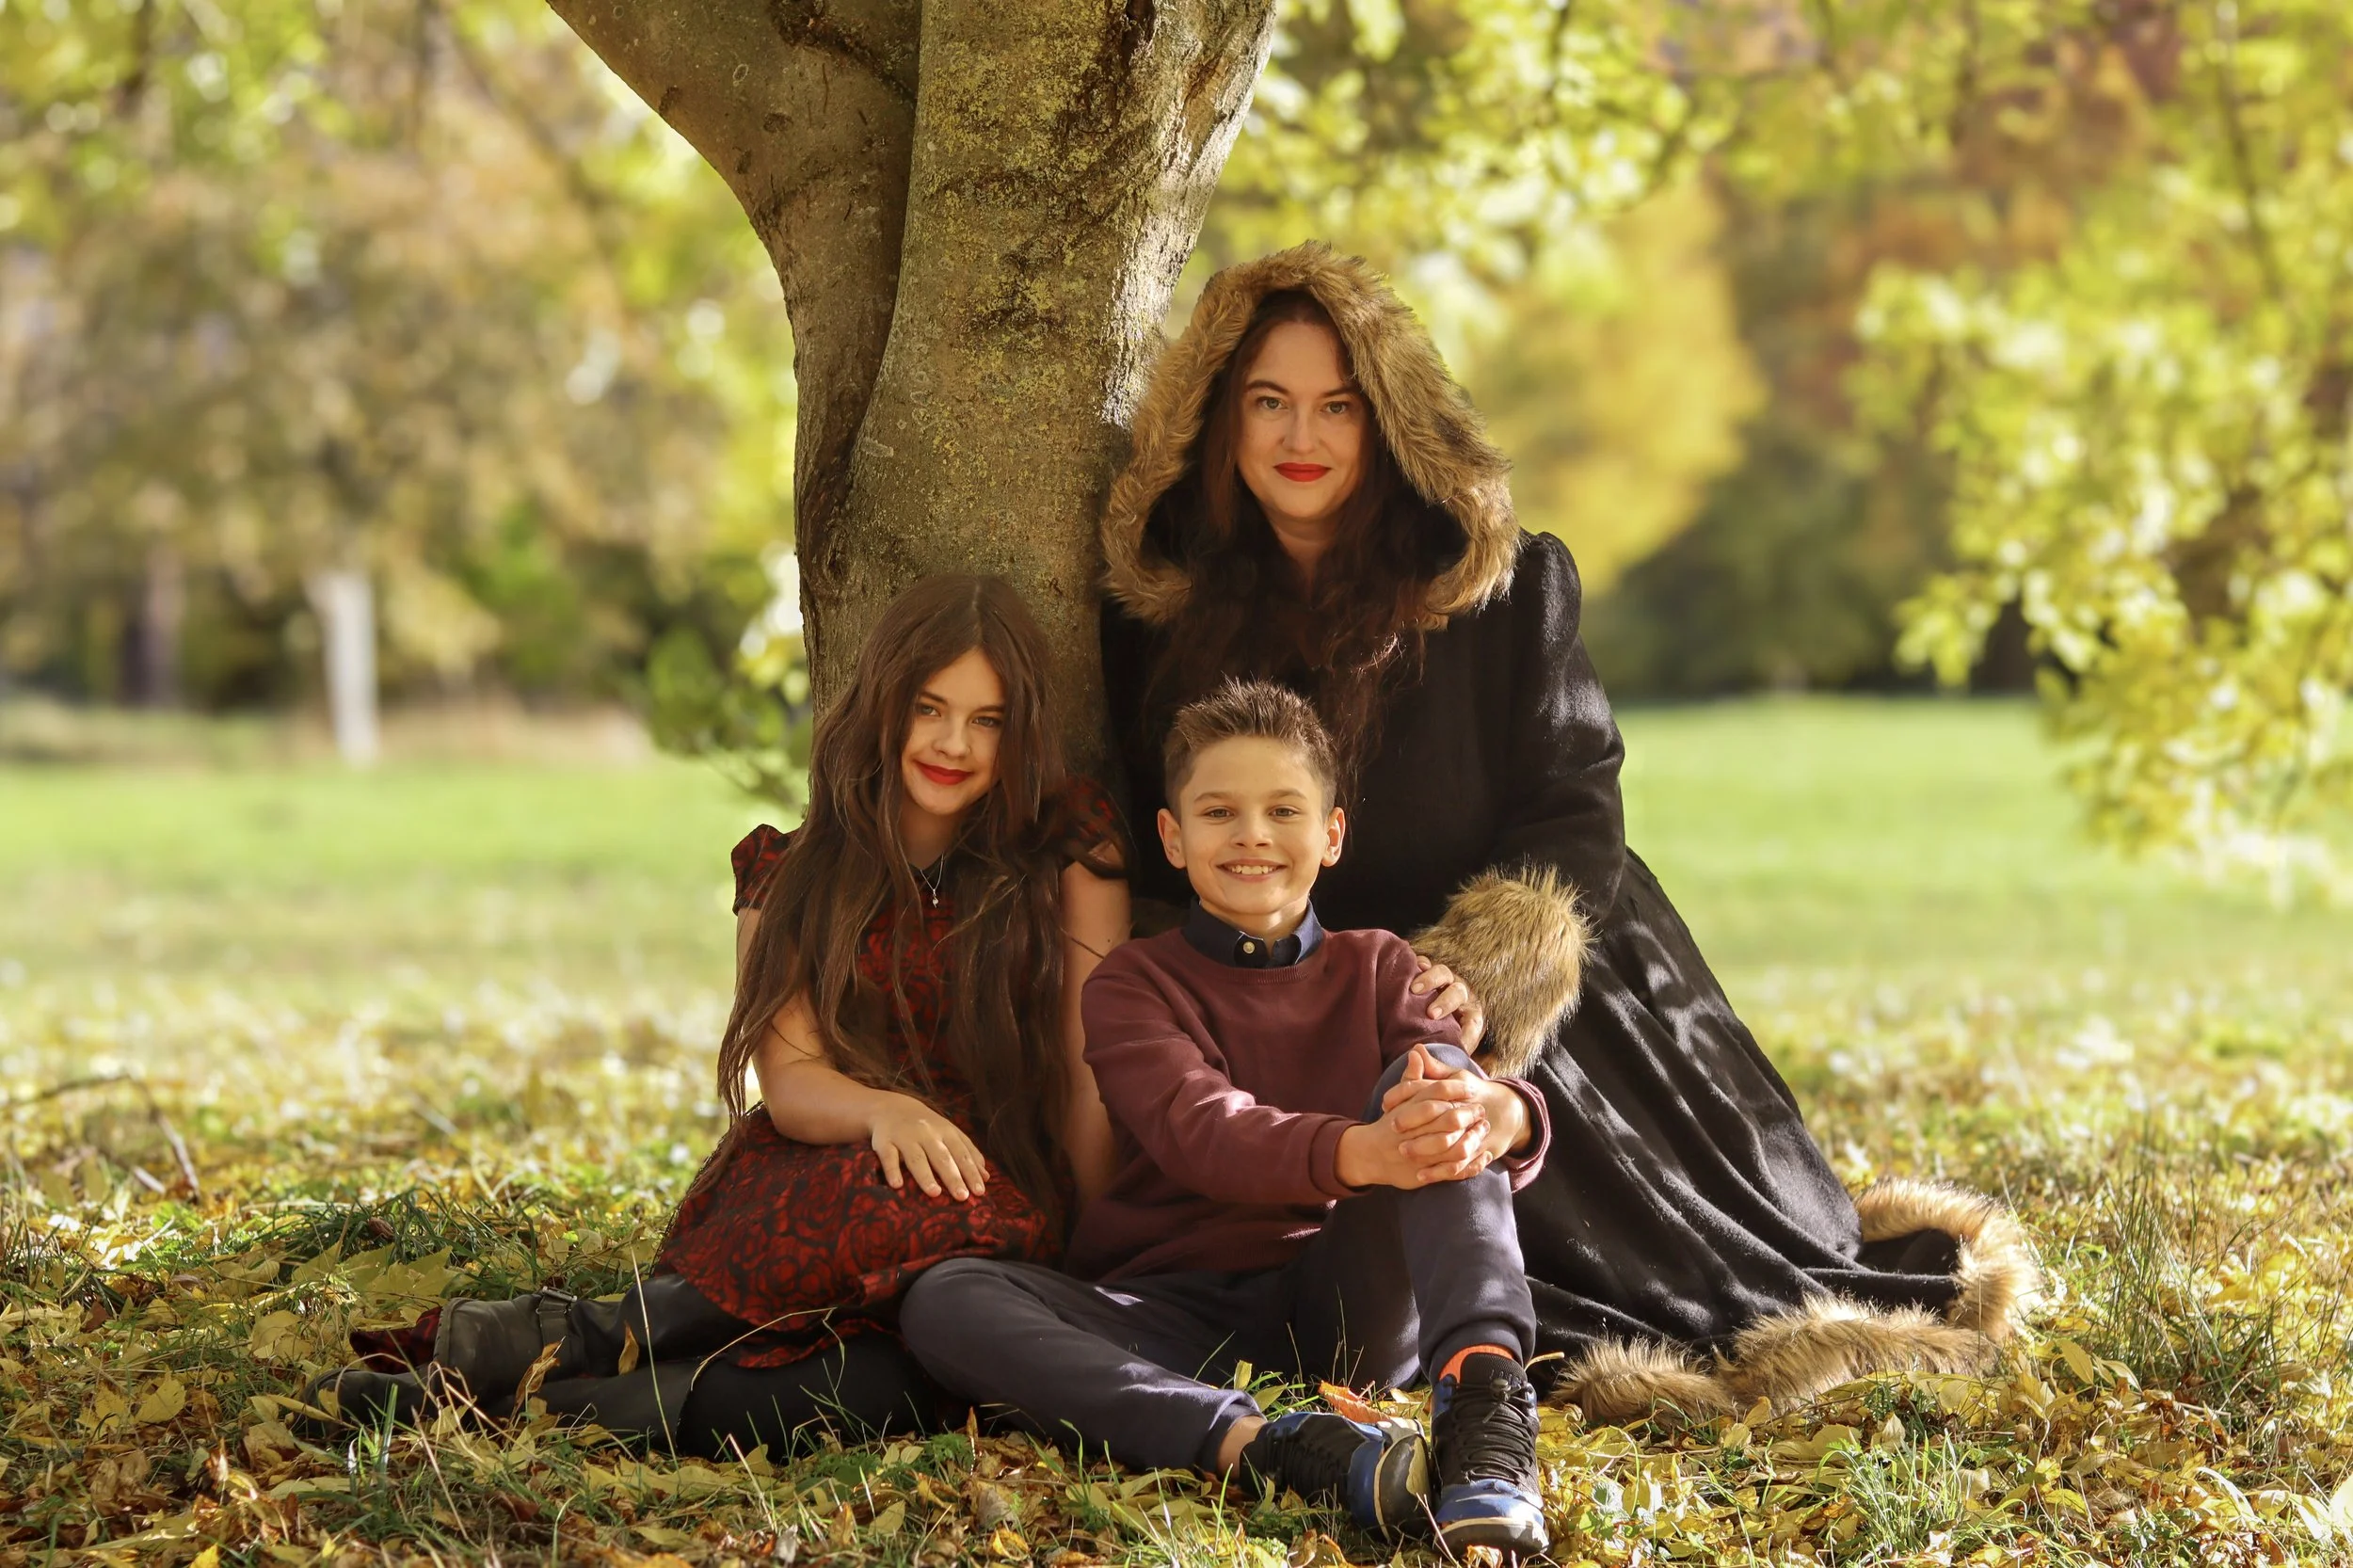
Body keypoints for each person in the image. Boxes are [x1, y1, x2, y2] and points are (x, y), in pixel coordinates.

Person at [1095, 243, 2040, 1421]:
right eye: (1268, 401)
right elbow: (1143, 829)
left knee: (1652, 1258)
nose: (1305, 435)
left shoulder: (1494, 587)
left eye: (1338, 404)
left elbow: (1576, 801)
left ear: (1387, 418)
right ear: (1220, 423)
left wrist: (1478, 983)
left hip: (1527, 975)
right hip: (1291, 986)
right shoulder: (1157, 621)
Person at [304, 575, 1130, 1456]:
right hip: (831, 1175)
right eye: (930, 709)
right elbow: (792, 1080)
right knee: (870, 1194)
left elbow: (1092, 1070)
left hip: (987, 1217)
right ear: (886, 705)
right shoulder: (795, 874)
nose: (954, 743)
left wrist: (1090, 1259)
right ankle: (532, 1341)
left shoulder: (1068, 852)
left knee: (882, 1392)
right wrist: (888, 1110)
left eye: (989, 720)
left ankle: (513, 1409)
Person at [902, 681, 1555, 1559]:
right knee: (948, 1299)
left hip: (1345, 1306)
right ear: (1174, 838)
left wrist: (1507, 1110)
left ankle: (1485, 1427)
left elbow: (1463, 1113)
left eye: (1283, 809)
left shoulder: (1385, 970)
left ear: (1331, 835)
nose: (1252, 834)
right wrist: (1362, 1150)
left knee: (1434, 1086)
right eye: (1219, 811)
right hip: (1171, 1315)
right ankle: (1277, 1448)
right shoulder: (1133, 984)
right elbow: (1201, 1129)